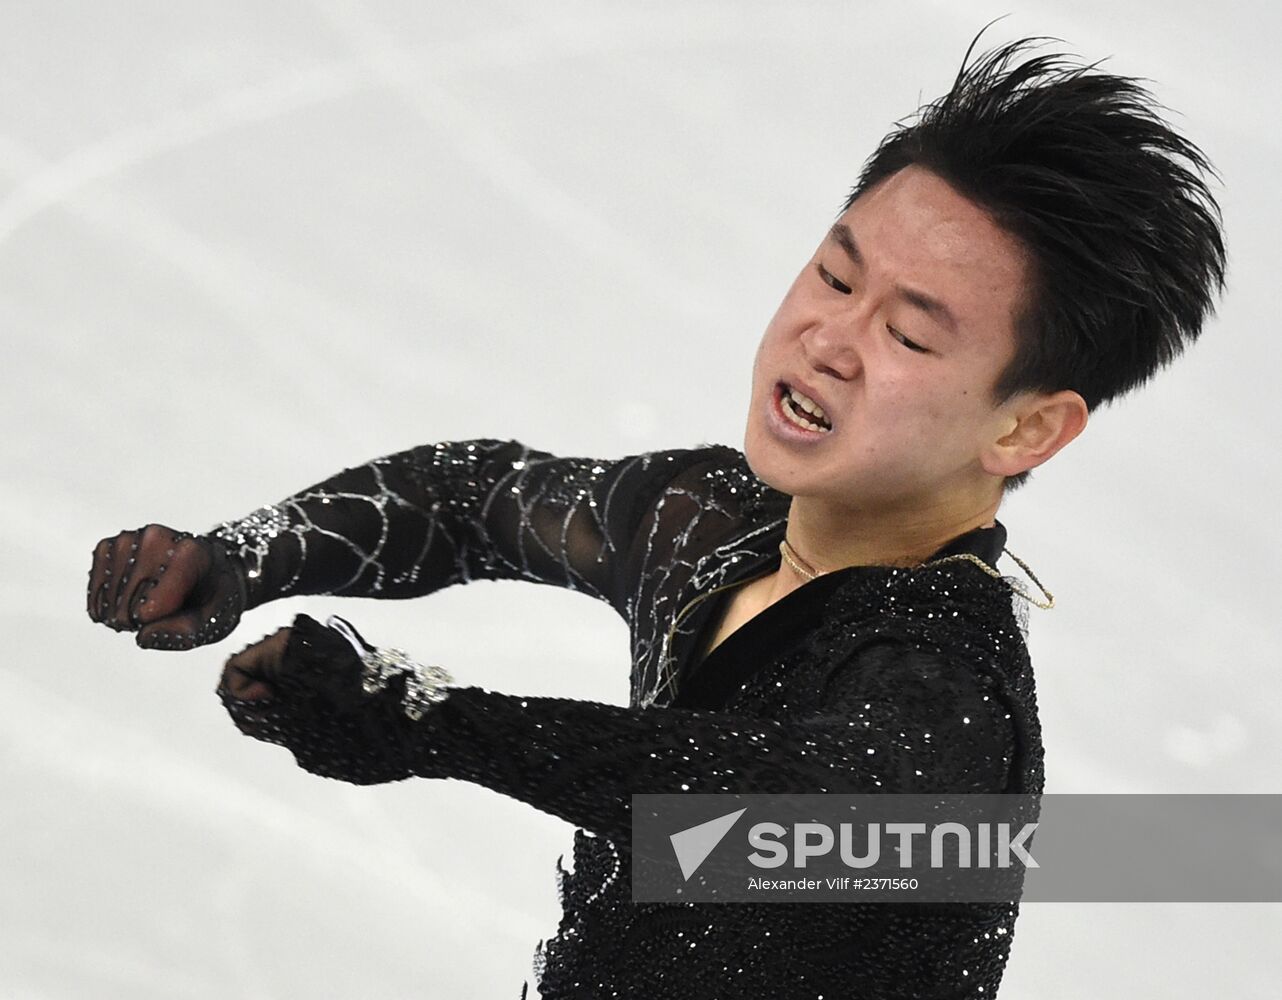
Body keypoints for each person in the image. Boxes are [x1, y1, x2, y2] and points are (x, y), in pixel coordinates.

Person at [85, 32, 1226, 999]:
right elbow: (476, 499)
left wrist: (430, 722)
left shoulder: (943, 710)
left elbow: (738, 817)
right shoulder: (719, 521)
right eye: (834, 276)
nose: (828, 340)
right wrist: (241, 556)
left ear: (1024, 430)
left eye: (910, 334)